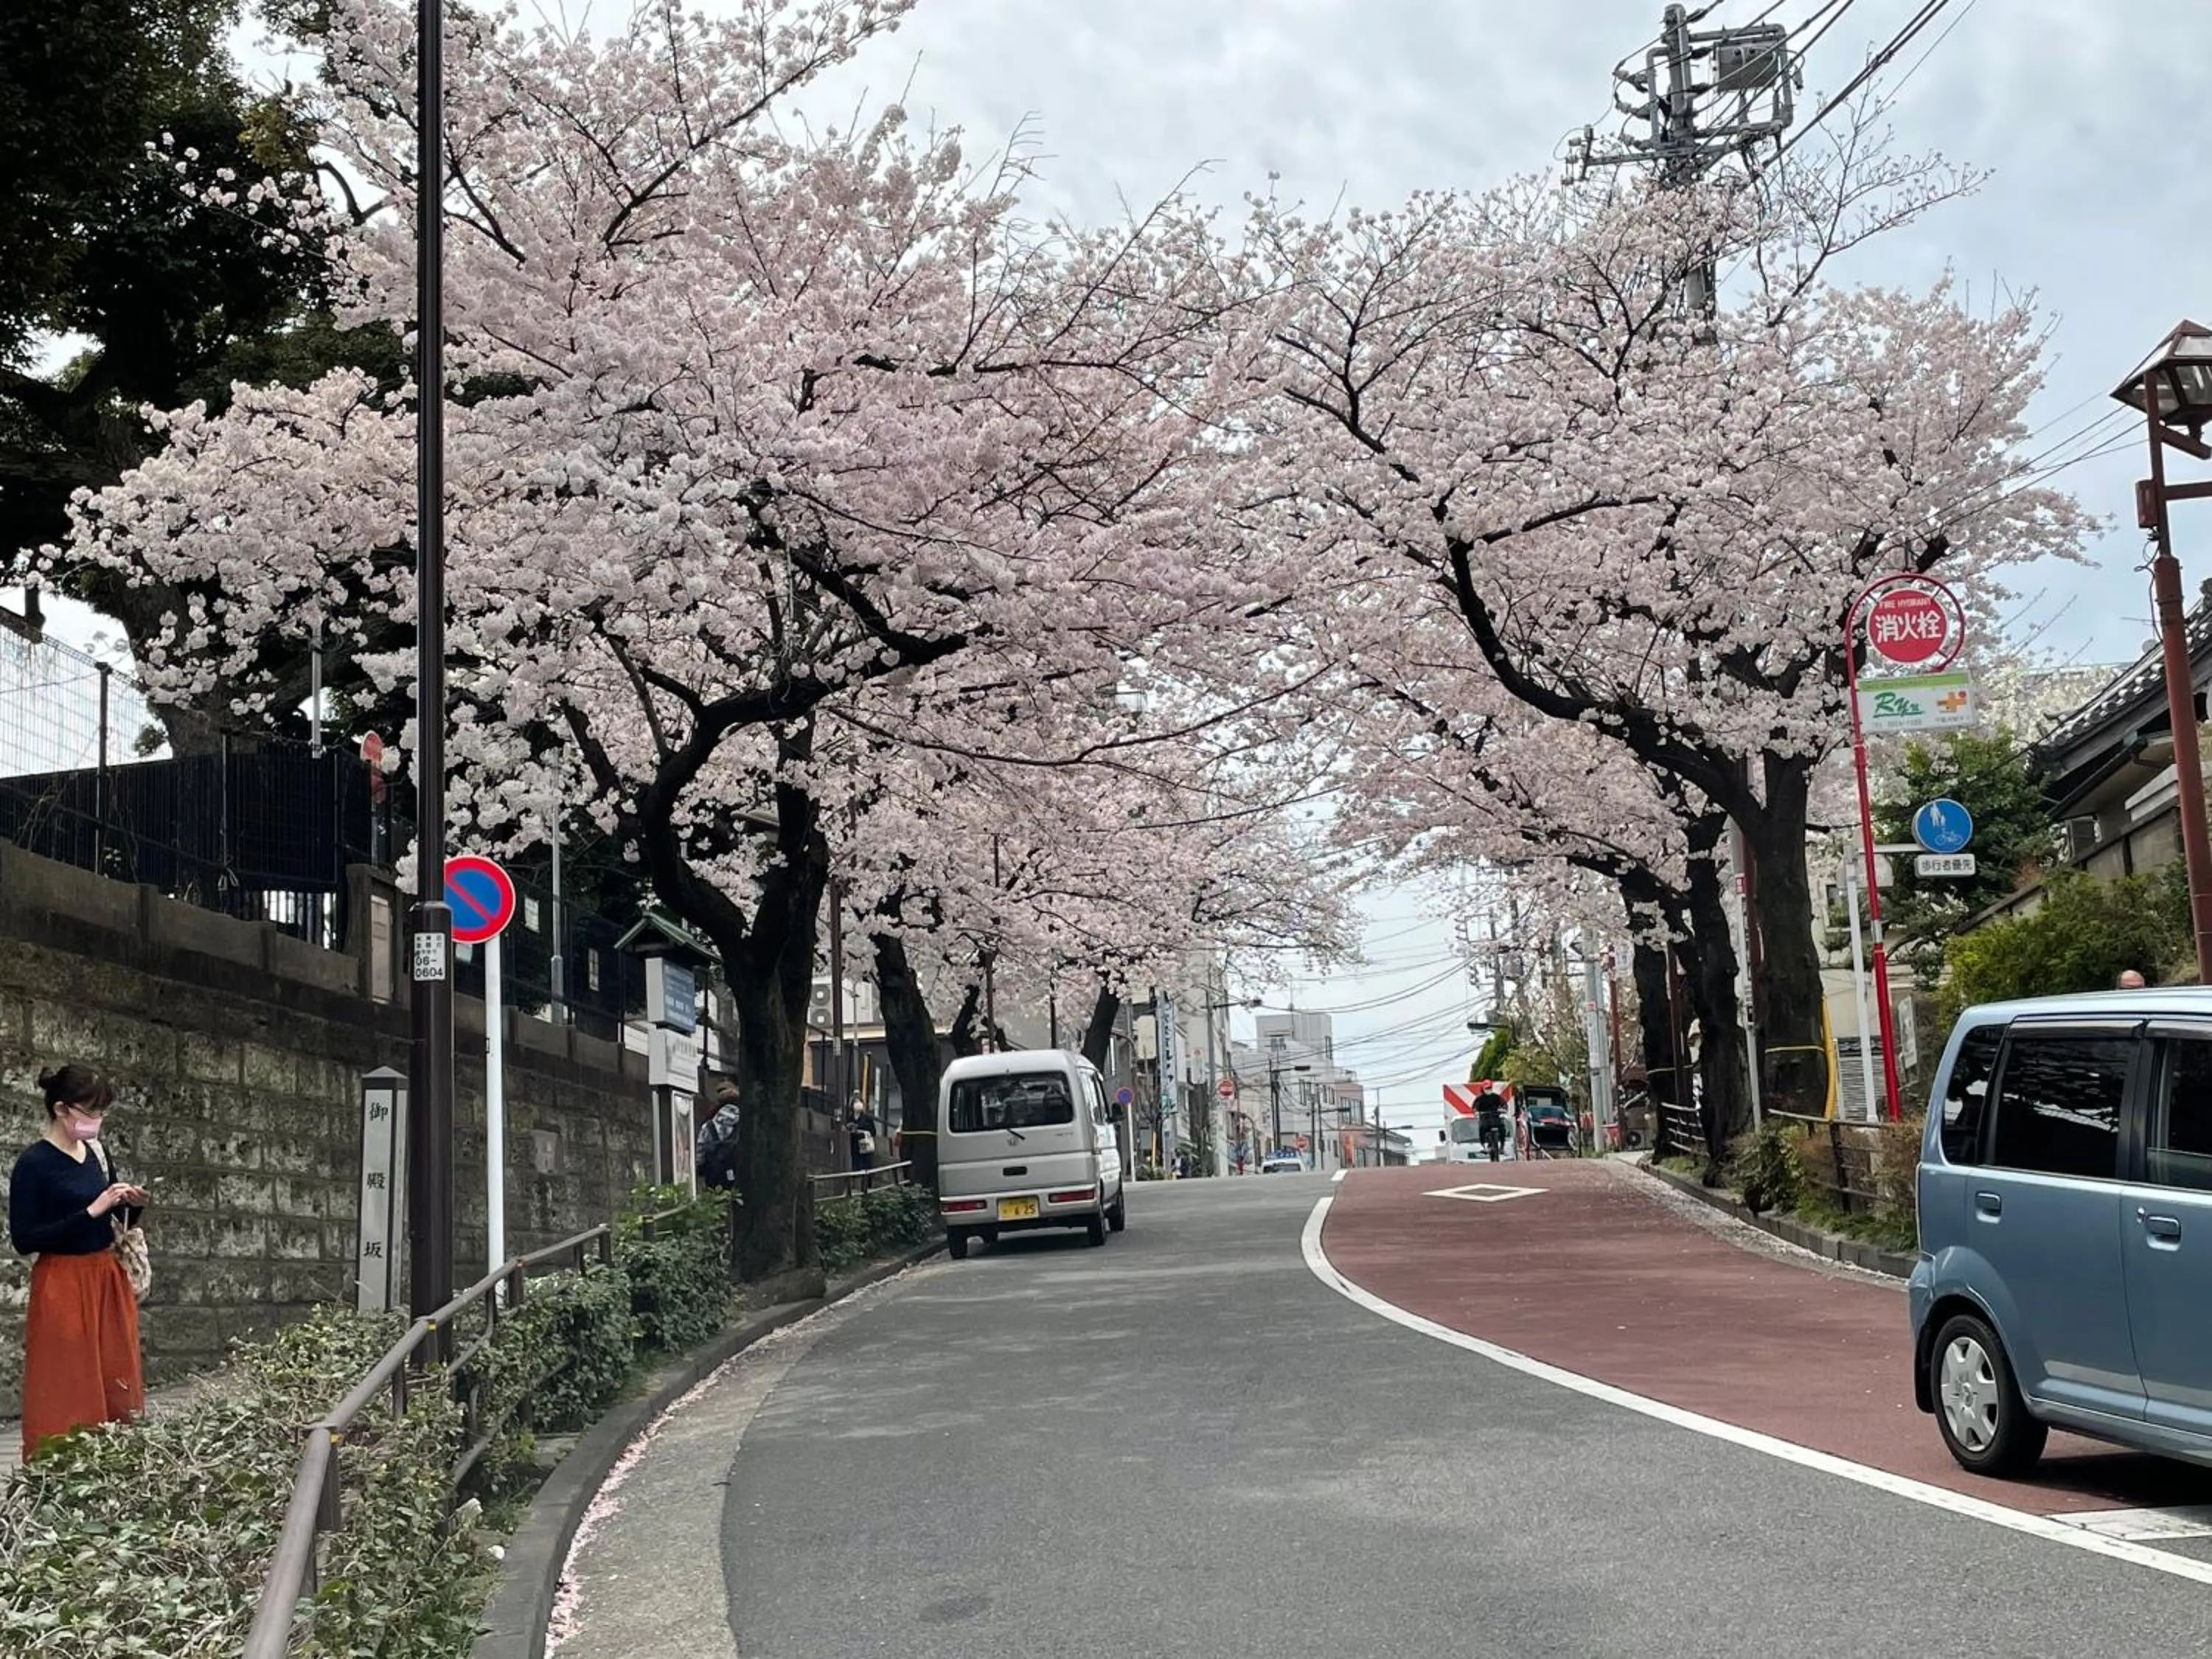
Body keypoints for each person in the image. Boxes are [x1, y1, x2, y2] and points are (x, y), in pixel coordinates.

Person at [10, 1063, 147, 1463]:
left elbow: (113, 1223)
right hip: (63, 1279)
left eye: (101, 1113)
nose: (97, 1122)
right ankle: (62, 1465)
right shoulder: (34, 1165)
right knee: (67, 1376)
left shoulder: (98, 1155)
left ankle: (117, 1461)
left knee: (115, 1371)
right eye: (90, 1113)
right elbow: (25, 1238)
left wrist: (129, 1207)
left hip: (106, 1274)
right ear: (61, 1110)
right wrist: (89, 1211)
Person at [695, 1082, 741, 1190]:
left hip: (715, 1177)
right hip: (740, 1175)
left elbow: (700, 1153)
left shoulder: (709, 1125)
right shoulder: (747, 1122)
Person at [1475, 1085, 1507, 1162]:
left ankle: (1502, 1146)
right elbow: (1474, 1107)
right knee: (1481, 1128)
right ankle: (1483, 1146)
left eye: (1490, 1088)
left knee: (1503, 1128)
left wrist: (1504, 1109)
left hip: (1496, 1118)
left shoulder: (1496, 1097)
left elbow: (1504, 1104)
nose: (1488, 1090)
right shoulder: (1480, 1098)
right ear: (1483, 1089)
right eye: (1487, 1088)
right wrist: (1476, 1112)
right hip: (1485, 1119)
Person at [848, 1097, 878, 1171]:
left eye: (860, 1102)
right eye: (856, 1102)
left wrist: (863, 1131)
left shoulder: (868, 1118)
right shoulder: (850, 1118)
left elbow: (873, 1131)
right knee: (856, 1165)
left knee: (866, 1166)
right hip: (854, 1145)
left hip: (865, 1145)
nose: (858, 1104)